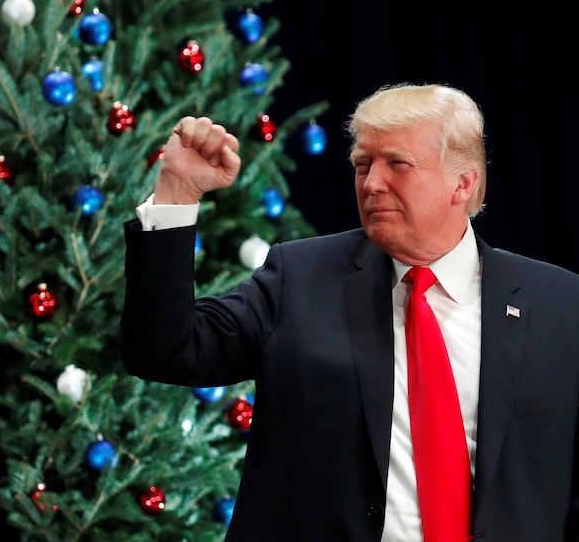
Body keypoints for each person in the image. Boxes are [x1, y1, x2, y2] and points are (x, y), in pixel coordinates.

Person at [119, 83, 579, 541]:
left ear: (463, 182)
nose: (372, 183)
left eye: (396, 163)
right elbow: (165, 349)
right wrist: (176, 195)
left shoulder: (558, 303)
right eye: (362, 165)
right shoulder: (298, 277)